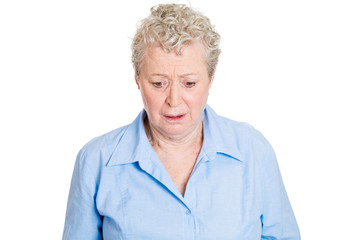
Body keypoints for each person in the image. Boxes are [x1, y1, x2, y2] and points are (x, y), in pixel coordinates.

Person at [62, 4, 300, 240]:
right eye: (158, 83)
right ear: (137, 79)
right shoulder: (96, 162)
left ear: (211, 77)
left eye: (189, 83)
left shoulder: (253, 151)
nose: (174, 101)